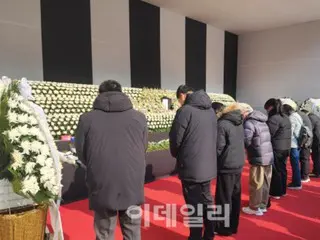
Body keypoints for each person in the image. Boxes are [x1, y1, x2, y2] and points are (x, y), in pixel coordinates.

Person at [75, 80, 148, 240]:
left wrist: (95, 165)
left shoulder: (87, 119)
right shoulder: (139, 117)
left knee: (104, 232)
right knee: (132, 230)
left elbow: (80, 151)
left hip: (101, 180)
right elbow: (144, 147)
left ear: (99, 94)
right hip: (131, 180)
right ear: (121, 93)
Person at [169, 86, 217, 240]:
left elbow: (176, 139)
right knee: (207, 200)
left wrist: (177, 155)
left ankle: (195, 236)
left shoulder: (185, 111)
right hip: (208, 164)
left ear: (183, 95)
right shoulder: (210, 111)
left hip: (191, 165)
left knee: (194, 205)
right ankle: (209, 233)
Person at [215, 103, 245, 236]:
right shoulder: (238, 122)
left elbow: (218, 148)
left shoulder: (222, 124)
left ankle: (223, 227)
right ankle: (233, 226)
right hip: (238, 163)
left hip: (227, 165)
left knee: (223, 198)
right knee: (235, 196)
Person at [241, 106, 273, 216]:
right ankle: (262, 205)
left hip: (258, 155)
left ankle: (254, 207)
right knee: (265, 182)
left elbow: (246, 140)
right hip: (268, 155)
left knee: (256, 182)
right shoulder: (263, 121)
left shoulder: (249, 123)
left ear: (245, 112)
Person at [264, 99, 291, 199]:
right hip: (286, 147)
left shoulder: (274, 119)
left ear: (271, 107)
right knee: (282, 169)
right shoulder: (285, 117)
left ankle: (276, 192)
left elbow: (269, 134)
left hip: (277, 147)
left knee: (276, 170)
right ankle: (282, 190)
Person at [282, 100, 303, 190]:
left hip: (293, 143)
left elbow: (290, 132)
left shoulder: (292, 118)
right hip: (297, 142)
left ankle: (296, 183)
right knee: (295, 164)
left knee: (294, 164)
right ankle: (296, 182)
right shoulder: (297, 115)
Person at [298, 109, 313, 182]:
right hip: (308, 138)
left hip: (305, 139)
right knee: (305, 158)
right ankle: (305, 175)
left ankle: (304, 176)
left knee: (304, 159)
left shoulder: (298, 115)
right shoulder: (304, 115)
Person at [308, 112, 320, 178]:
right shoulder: (315, 117)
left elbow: (310, 129)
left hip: (317, 140)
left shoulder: (311, 118)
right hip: (318, 138)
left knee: (316, 156)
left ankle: (317, 172)